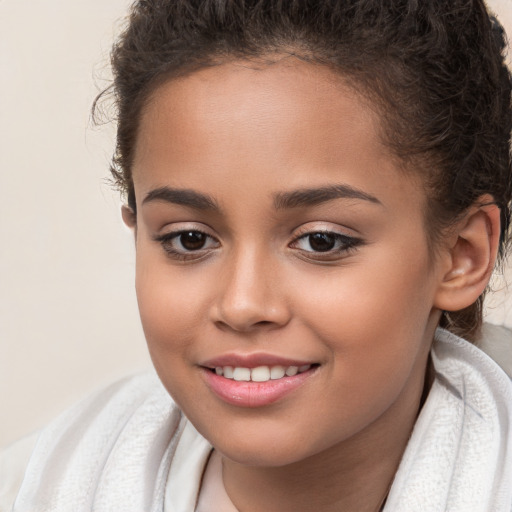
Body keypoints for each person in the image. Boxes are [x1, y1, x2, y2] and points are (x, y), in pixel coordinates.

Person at [1, 0, 512, 510]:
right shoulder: (36, 487)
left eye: (321, 241)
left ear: (461, 255)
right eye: (190, 239)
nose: (243, 304)